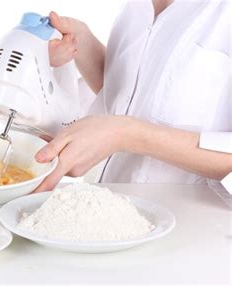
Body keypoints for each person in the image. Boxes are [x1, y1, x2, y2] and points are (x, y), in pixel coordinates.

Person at [34, 0, 231, 192]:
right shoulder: (136, 6)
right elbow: (133, 96)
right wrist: (82, 42)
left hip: (196, 219)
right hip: (115, 204)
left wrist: (125, 134)